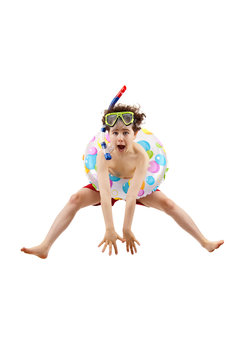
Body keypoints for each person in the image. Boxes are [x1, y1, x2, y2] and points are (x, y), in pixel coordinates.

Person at [21, 104, 224, 258]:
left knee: (169, 204)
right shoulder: (103, 155)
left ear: (135, 134)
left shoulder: (141, 156)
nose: (120, 138)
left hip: (135, 187)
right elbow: (106, 192)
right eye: (115, 133)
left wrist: (126, 228)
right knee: (75, 199)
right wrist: (110, 228)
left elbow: (132, 195)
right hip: (109, 185)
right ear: (108, 135)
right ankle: (45, 246)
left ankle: (204, 242)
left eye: (125, 132)